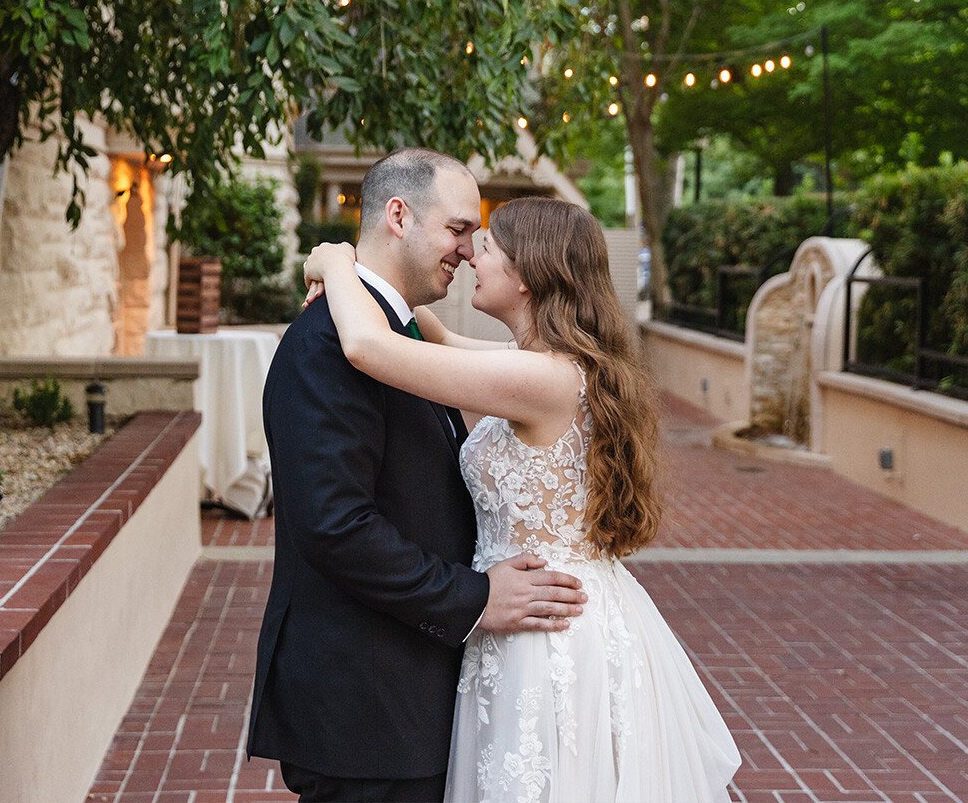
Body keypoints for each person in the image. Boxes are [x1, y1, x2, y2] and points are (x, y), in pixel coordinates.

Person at [303, 194, 741, 803]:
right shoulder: (545, 363)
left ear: (529, 275)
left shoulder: (541, 379)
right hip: (542, 607)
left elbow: (368, 349)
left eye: (488, 250)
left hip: (544, 629)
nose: (471, 259)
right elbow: (438, 336)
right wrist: (375, 279)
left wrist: (334, 261)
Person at [247, 149, 588, 803]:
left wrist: (334, 261)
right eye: (459, 230)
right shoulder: (327, 345)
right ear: (398, 216)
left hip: (411, 695)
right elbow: (335, 527)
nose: (467, 251)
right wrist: (473, 597)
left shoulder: (396, 335)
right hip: (367, 706)